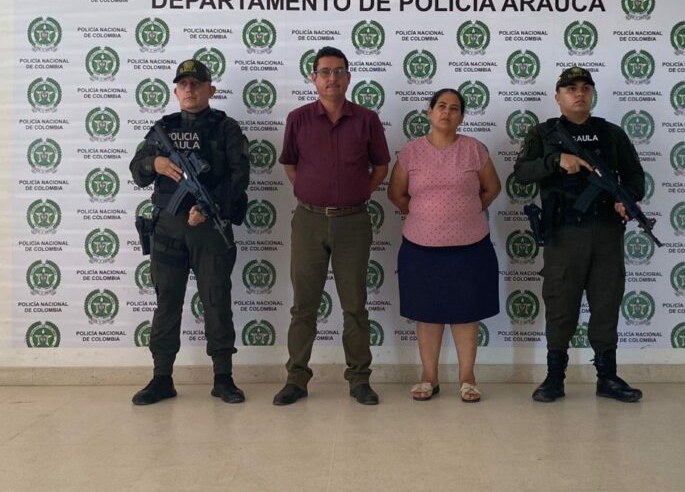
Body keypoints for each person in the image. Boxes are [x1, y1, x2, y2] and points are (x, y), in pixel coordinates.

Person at [513, 66, 644, 403]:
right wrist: (557, 159)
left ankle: (608, 377)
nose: (579, 93)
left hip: (605, 233)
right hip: (564, 235)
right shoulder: (543, 134)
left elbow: (635, 179)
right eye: (570, 88)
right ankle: (554, 378)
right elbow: (522, 173)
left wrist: (625, 201)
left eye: (586, 87)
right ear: (557, 96)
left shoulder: (611, 134)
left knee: (606, 303)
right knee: (560, 306)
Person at [274, 46, 390, 406]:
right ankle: (296, 378)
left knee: (354, 305)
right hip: (308, 221)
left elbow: (381, 167)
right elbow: (290, 165)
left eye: (339, 71)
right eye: (324, 72)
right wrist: (312, 194)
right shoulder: (298, 118)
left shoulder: (367, 119)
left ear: (348, 77)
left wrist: (357, 195)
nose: (332, 78)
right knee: (303, 306)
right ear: (314, 78)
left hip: (353, 222)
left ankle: (359, 379)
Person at [129, 59, 250, 405]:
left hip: (209, 227)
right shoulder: (162, 129)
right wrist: (155, 163)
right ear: (176, 90)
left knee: (216, 299)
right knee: (167, 302)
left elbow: (239, 177)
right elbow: (137, 171)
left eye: (197, 84)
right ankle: (161, 377)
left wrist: (211, 209)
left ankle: (223, 377)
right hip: (167, 227)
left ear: (210, 90)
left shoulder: (225, 128)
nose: (190, 89)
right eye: (183, 84)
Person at [387, 88, 501, 403]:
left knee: (466, 313)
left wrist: (465, 211)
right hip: (420, 246)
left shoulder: (474, 150)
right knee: (427, 313)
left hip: (470, 245)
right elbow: (396, 194)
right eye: (440, 106)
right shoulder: (410, 152)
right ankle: (429, 377)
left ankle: (467, 378)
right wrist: (425, 215)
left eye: (454, 108)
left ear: (461, 116)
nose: (446, 112)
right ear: (429, 112)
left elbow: (492, 187)